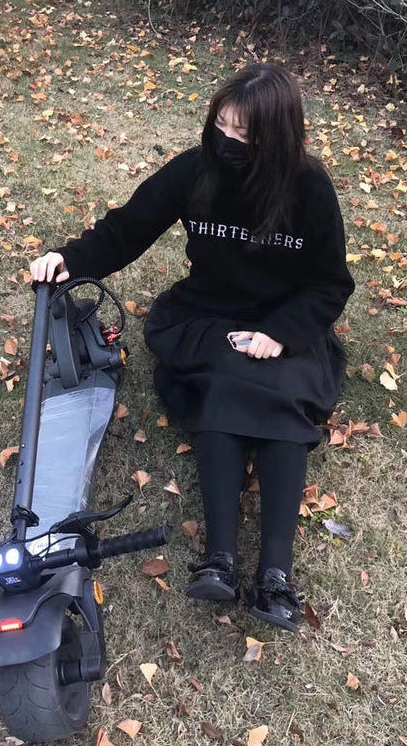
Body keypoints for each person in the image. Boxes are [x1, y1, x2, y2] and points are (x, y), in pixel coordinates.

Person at [29, 63, 354, 632]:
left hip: (282, 322)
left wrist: (281, 333)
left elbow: (331, 283)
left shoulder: (309, 188)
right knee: (223, 385)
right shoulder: (195, 170)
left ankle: (275, 574)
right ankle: (220, 559)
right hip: (207, 314)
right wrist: (70, 258)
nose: (228, 143)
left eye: (244, 137)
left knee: (284, 400)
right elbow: (128, 228)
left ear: (276, 140)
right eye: (221, 128)